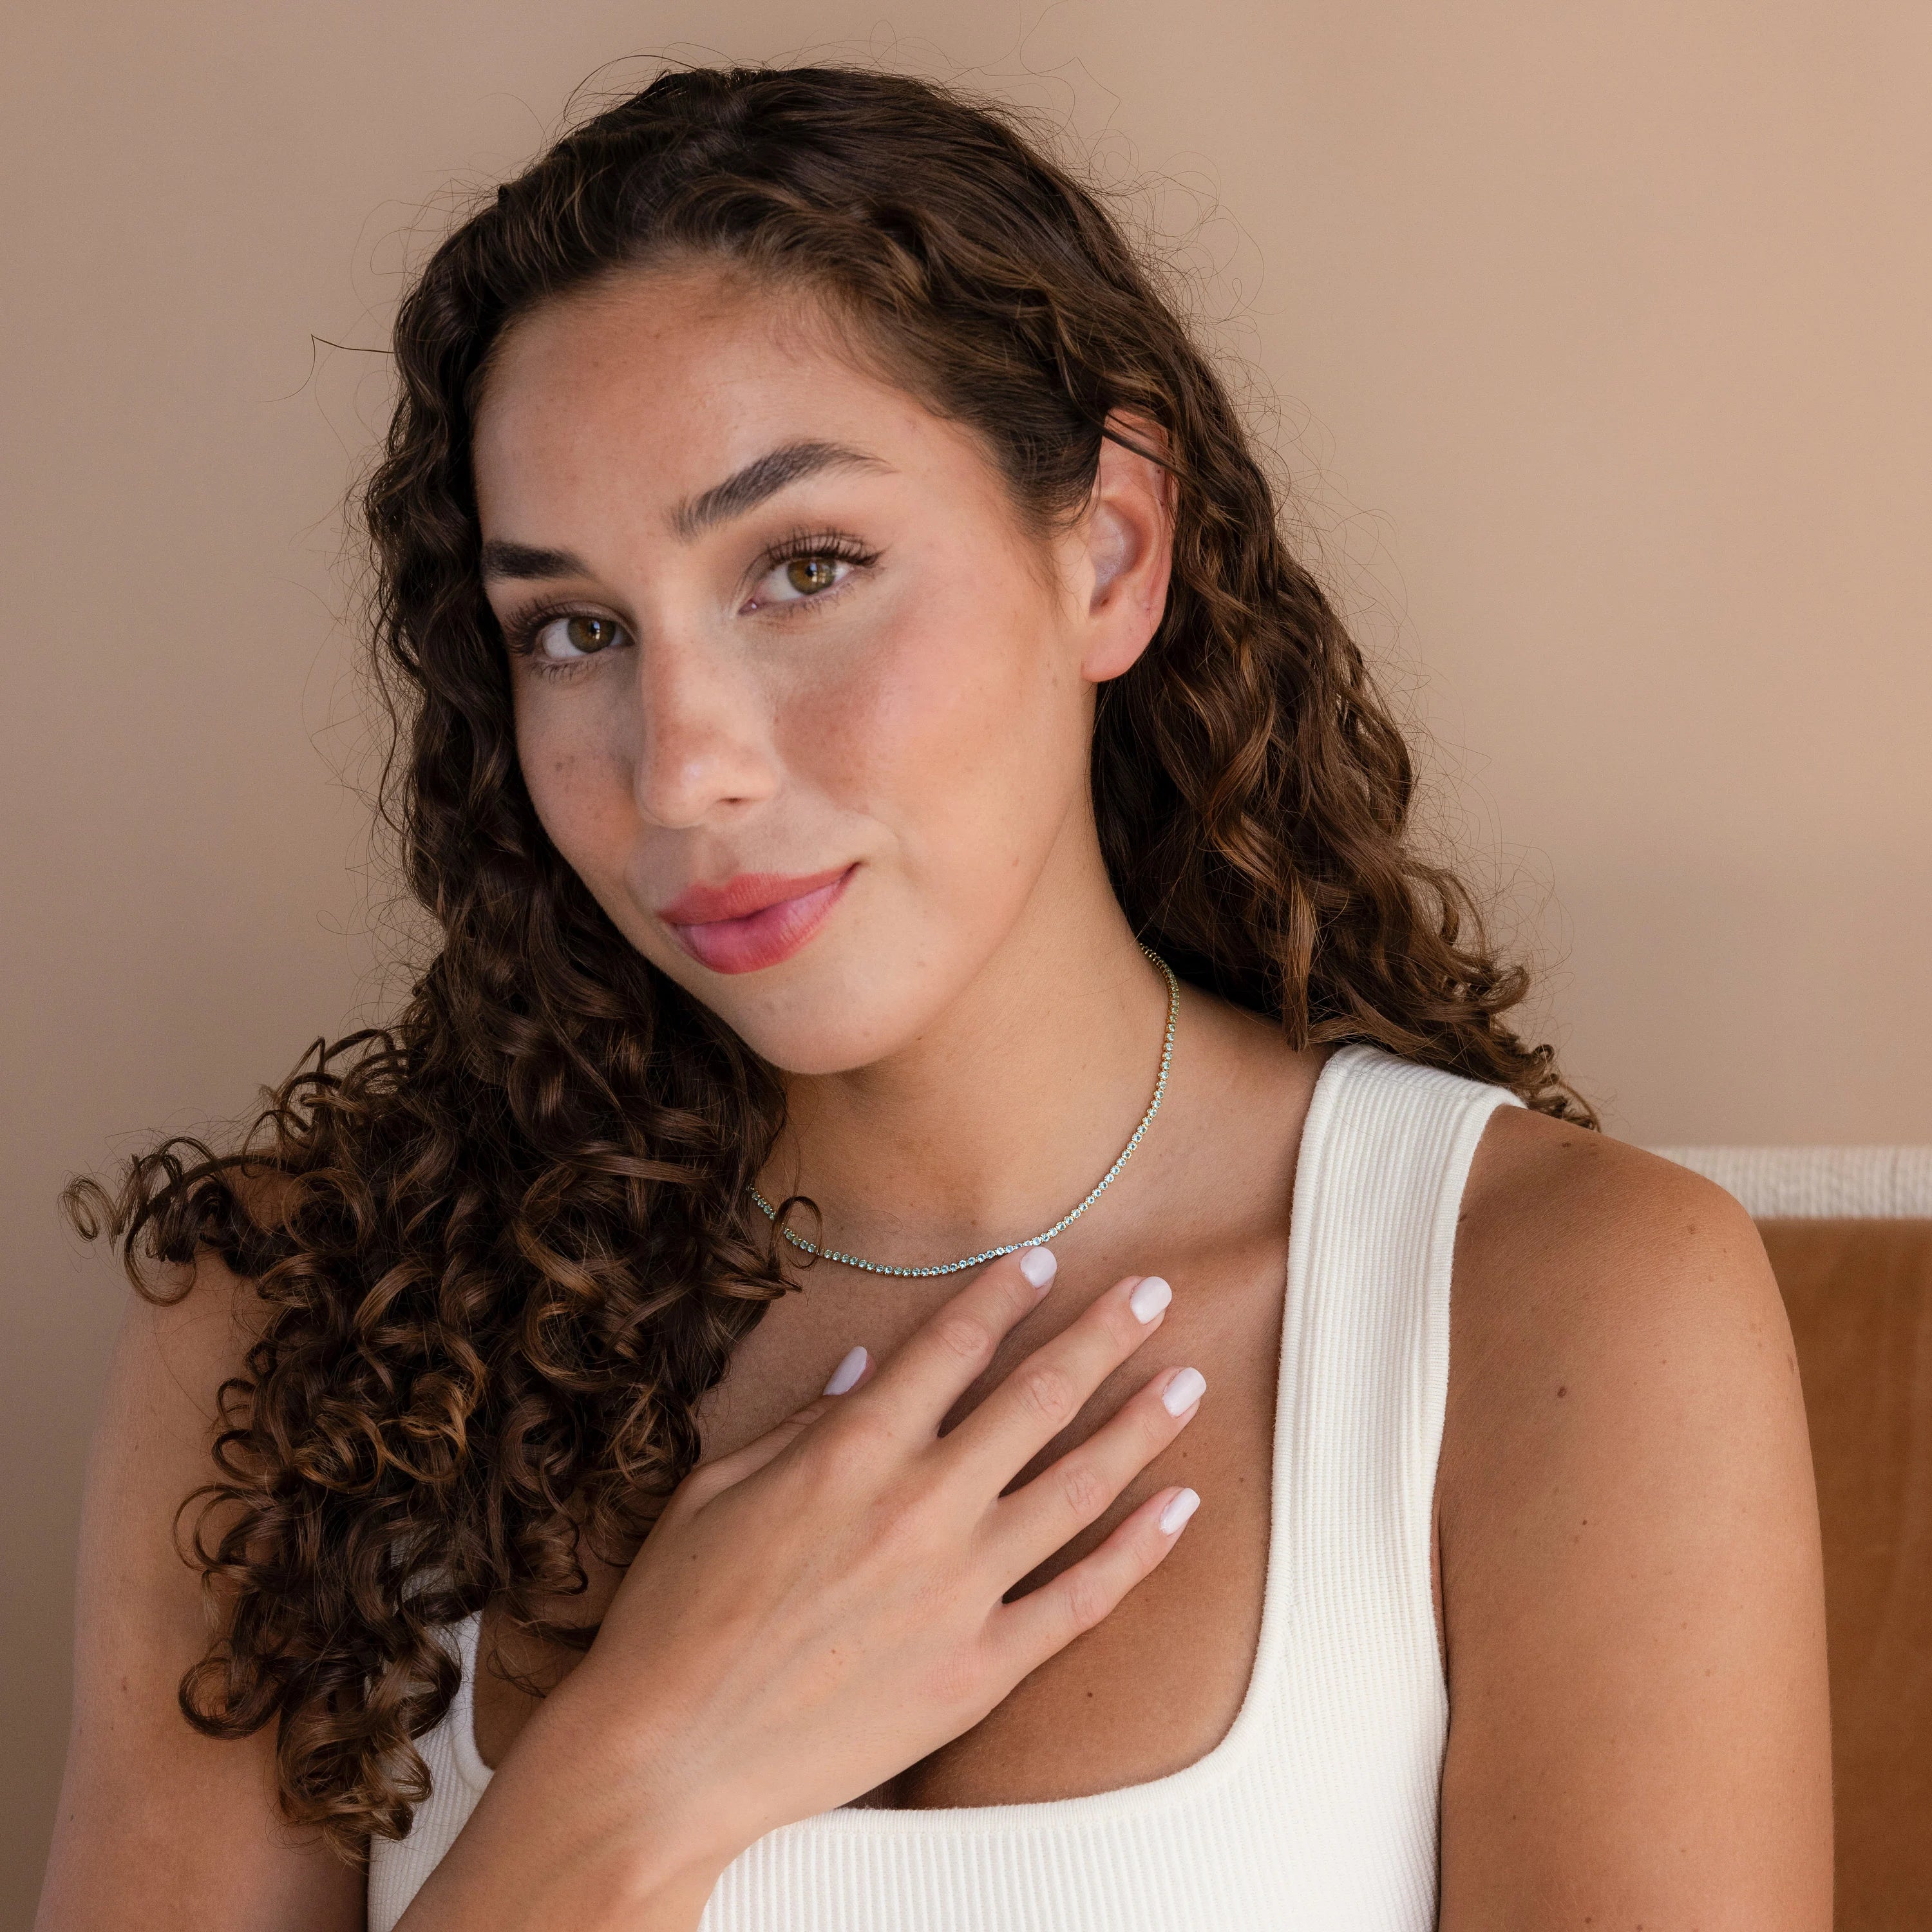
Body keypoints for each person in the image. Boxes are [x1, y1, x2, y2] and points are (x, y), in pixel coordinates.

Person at [36, 64, 1832, 1932]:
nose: (685, 769)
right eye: (576, 629)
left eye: (805, 568)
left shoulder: (1554, 1310)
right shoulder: (300, 1329)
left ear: (1111, 550)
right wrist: (642, 1773)